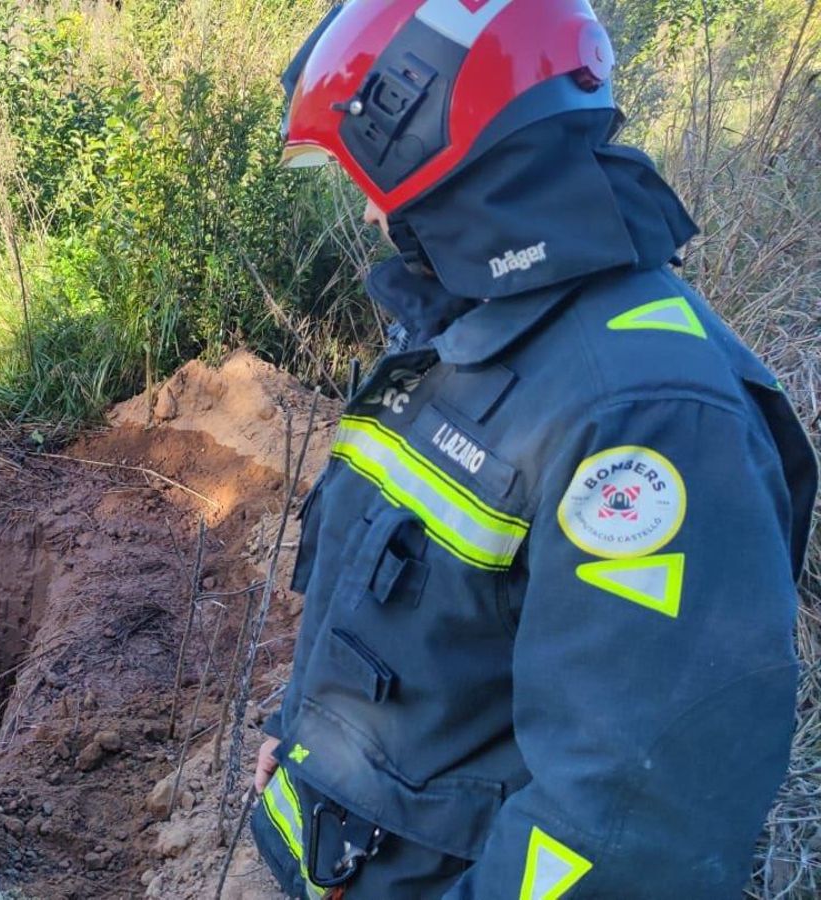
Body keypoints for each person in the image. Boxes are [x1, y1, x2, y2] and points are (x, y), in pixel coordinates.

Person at [250, 2, 818, 898]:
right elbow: (394, 612)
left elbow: (628, 829)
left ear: (438, 133)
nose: (365, 212)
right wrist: (303, 739)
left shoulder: (647, 418)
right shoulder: (470, 330)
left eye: (367, 172)